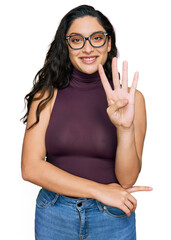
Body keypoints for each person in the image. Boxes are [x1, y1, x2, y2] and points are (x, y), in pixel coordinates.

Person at [21, 4, 152, 240]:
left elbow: (127, 179)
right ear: (67, 45)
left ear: (109, 43)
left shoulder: (133, 100)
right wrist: (100, 191)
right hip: (54, 214)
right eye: (77, 40)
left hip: (112, 216)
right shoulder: (46, 96)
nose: (88, 48)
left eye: (97, 38)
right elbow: (30, 168)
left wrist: (124, 128)